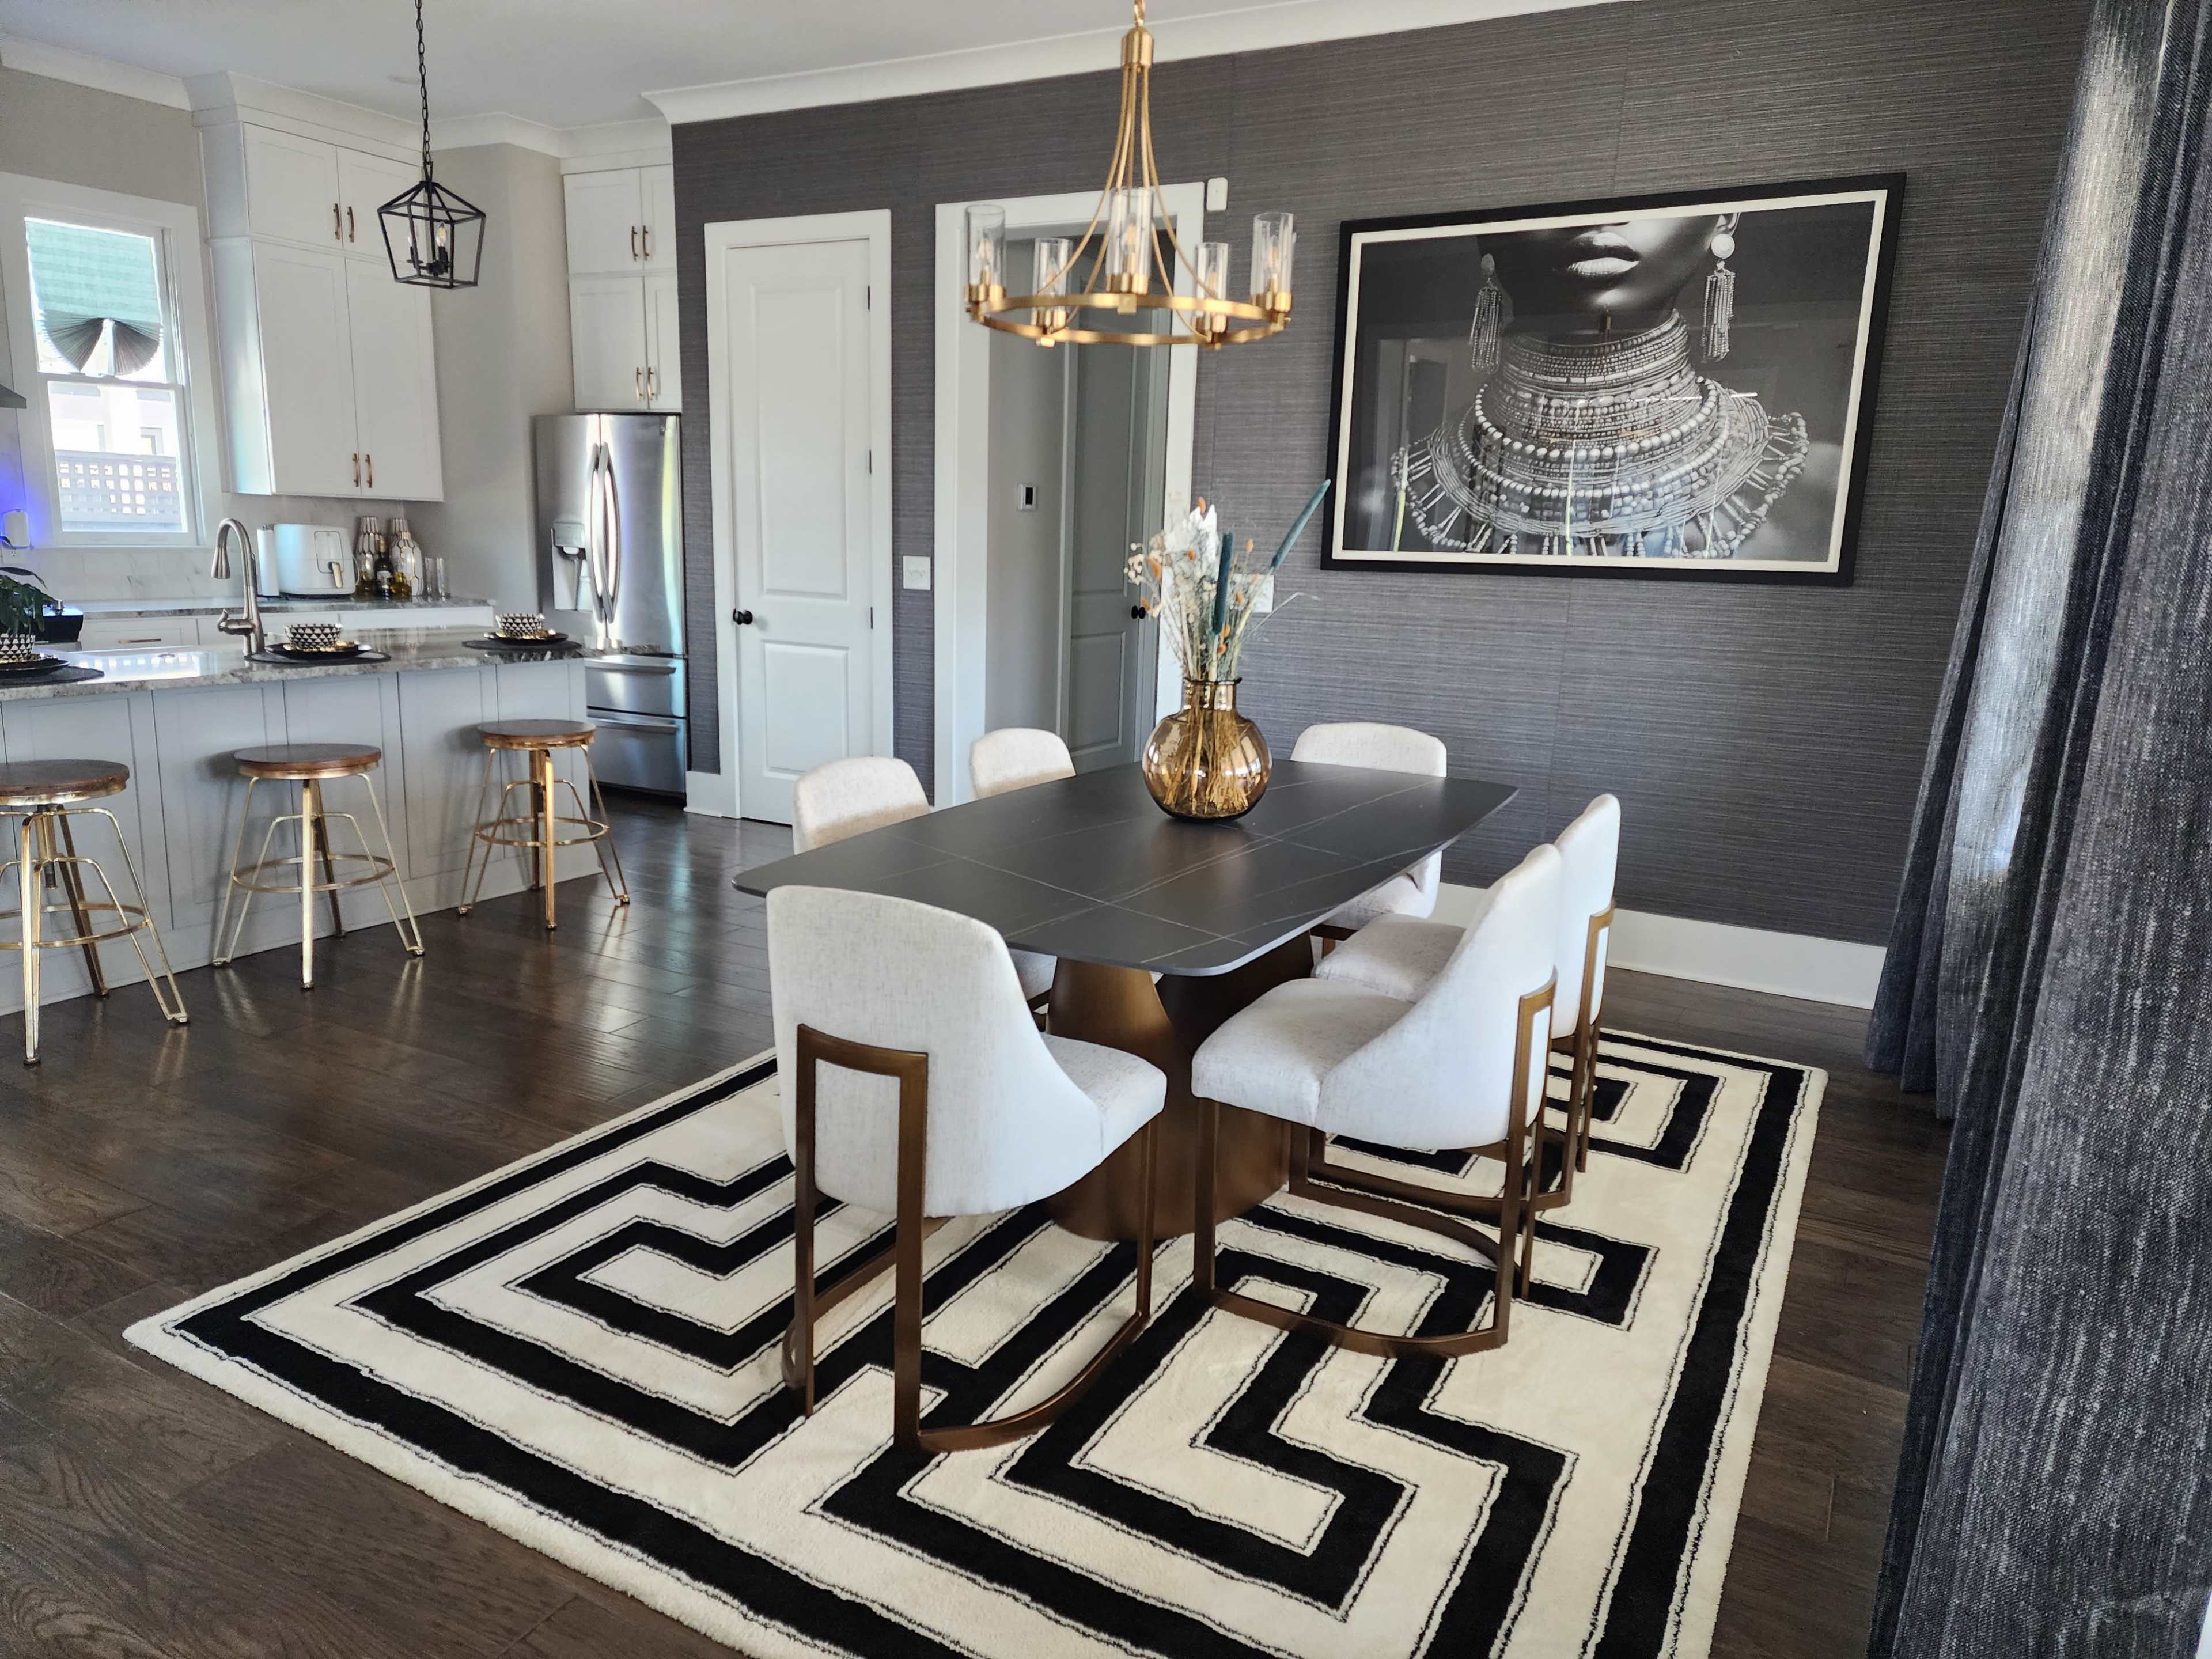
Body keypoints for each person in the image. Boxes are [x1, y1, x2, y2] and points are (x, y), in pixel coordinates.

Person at [1382, 212, 1836, 562]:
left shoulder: (1820, 492)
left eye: (1660, 185)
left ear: (1725, 218)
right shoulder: (1392, 495)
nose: (1601, 219)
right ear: (1489, 237)